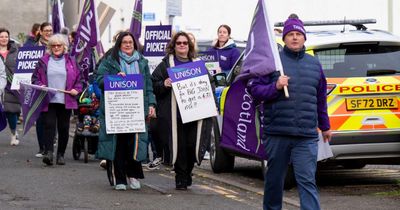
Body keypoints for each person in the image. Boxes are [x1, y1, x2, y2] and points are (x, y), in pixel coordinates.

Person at [248, 14, 332, 210]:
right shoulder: (272, 63)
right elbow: (255, 92)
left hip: (306, 135)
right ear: (284, 38)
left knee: (307, 181)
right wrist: (276, 86)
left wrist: (325, 126)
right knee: (275, 181)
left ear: (304, 38)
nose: (295, 37)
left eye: (298, 34)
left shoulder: (315, 64)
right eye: (290, 34)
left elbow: (320, 99)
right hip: (277, 134)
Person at [151, 31, 214, 190]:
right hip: (174, 115)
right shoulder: (166, 64)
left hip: (195, 114)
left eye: (185, 43)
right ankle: (180, 177)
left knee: (192, 145)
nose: (182, 45)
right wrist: (164, 84)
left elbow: (209, 85)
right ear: (174, 45)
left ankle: (188, 172)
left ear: (189, 45)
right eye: (179, 43)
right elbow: (153, 84)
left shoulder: (198, 64)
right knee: (178, 147)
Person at [96, 31, 156, 191]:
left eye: (130, 42)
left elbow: (148, 86)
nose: (128, 44)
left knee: (134, 144)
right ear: (119, 45)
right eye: (125, 42)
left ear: (134, 44)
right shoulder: (110, 60)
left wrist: (151, 104)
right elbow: (99, 79)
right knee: (119, 145)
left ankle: (134, 175)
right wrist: (115, 77)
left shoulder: (142, 61)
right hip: (116, 110)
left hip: (137, 110)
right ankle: (120, 178)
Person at [32, 34, 82, 166]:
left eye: (59, 45)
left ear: (64, 47)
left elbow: (80, 80)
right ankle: (49, 153)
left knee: (64, 128)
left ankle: (61, 154)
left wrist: (76, 89)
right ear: (49, 47)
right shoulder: (43, 61)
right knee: (49, 126)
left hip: (66, 99)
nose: (56, 48)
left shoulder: (71, 61)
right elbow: (35, 78)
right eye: (53, 45)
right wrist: (40, 85)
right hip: (48, 99)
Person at [34, 22, 53, 158]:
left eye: (50, 30)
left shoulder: (56, 47)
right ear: (40, 32)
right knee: (40, 118)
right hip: (38, 86)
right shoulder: (33, 49)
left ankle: (50, 144)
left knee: (52, 118)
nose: (48, 32)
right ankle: (42, 147)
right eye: (46, 30)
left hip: (52, 86)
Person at [0, 28, 21, 146]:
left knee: (11, 111)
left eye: (6, 37)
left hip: (12, 85)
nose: (4, 39)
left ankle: (13, 134)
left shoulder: (16, 51)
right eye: (1, 36)